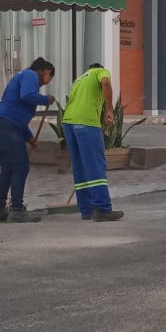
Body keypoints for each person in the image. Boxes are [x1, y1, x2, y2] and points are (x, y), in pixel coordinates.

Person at [0, 57, 57, 223]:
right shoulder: (30, 75)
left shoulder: (23, 78)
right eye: (48, 79)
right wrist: (46, 99)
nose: (44, 84)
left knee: (8, 168)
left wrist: (30, 139)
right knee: (21, 165)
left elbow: (19, 120)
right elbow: (27, 96)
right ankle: (17, 209)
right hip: (5, 127)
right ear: (46, 72)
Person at [63, 63, 124, 222]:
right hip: (86, 122)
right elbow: (105, 83)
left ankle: (87, 209)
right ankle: (102, 208)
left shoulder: (79, 80)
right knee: (96, 164)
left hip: (69, 123)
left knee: (80, 166)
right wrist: (110, 109)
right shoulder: (100, 71)